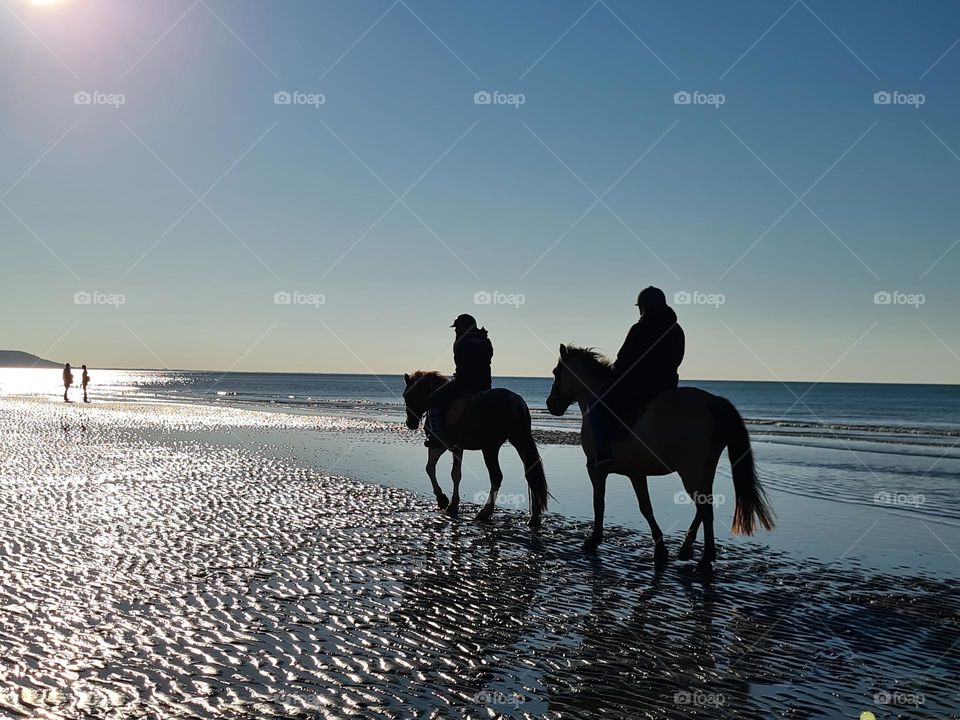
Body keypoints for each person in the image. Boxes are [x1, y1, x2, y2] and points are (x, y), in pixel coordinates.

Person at [588, 287, 685, 468]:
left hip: (640, 387)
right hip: (668, 386)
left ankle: (603, 454)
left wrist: (614, 374)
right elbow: (678, 358)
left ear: (644, 307)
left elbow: (623, 360)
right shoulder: (676, 329)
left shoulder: (640, 328)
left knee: (595, 404)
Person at [425, 314, 494, 446]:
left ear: (464, 328)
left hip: (465, 383)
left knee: (433, 399)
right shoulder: (486, 340)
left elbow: (462, 366)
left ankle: (437, 435)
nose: (456, 331)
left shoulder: (462, 342)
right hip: (485, 384)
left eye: (457, 328)